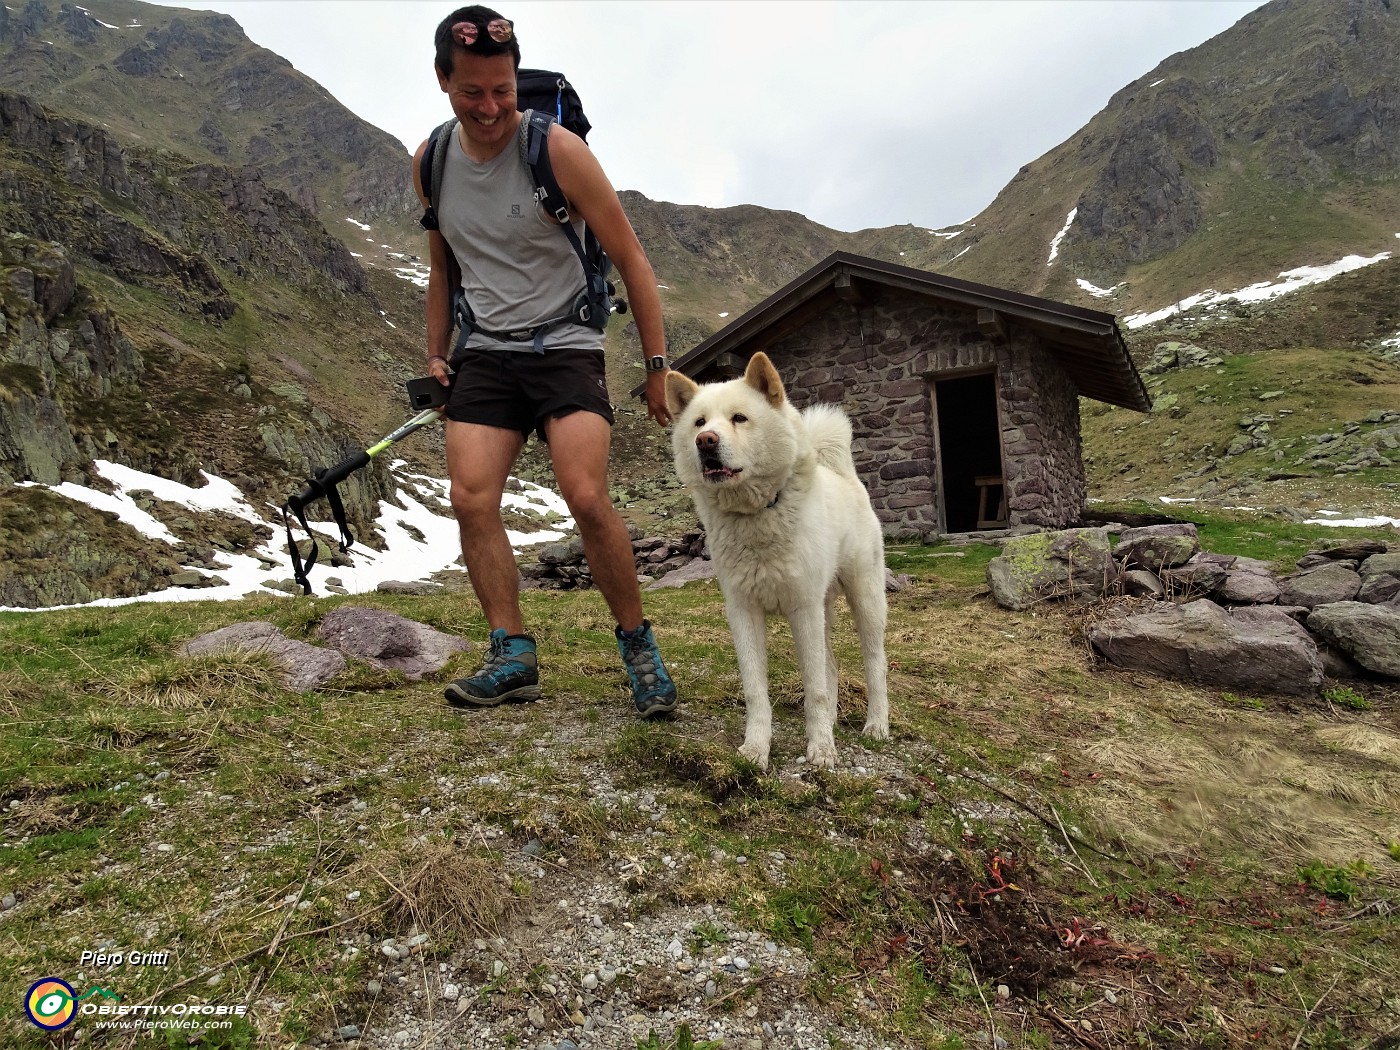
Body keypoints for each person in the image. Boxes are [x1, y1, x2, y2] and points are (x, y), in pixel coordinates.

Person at [413, 5, 677, 717]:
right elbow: (443, 270)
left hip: (565, 341)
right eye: (473, 92)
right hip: (489, 351)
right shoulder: (432, 160)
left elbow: (632, 259)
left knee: (586, 496)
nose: (491, 108)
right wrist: (437, 354)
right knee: (470, 498)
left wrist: (656, 366)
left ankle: (638, 647)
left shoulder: (558, 151)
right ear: (443, 80)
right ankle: (513, 654)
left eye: (502, 89)